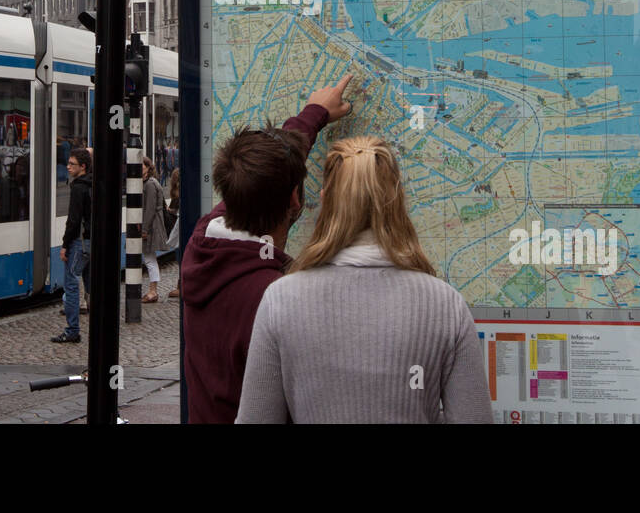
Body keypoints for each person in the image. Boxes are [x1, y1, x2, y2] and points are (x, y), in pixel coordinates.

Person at [237, 136, 491, 423]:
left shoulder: (280, 300)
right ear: (396, 201)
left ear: (326, 201)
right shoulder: (446, 305)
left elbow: (256, 418)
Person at [182, 75, 353, 423]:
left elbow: (263, 175)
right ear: (294, 198)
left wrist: (314, 114)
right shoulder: (277, 298)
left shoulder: (202, 245)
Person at [52, 148, 92, 343]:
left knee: (71, 285)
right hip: (93, 242)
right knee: (91, 284)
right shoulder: (93, 184)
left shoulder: (78, 187)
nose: (67, 167)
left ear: (82, 167)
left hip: (80, 242)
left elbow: (73, 220)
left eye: (72, 164)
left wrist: (65, 245)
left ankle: (72, 330)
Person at [140, 155, 166, 303]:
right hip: (151, 225)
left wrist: (144, 229)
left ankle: (153, 291)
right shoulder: (150, 182)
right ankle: (152, 290)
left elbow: (149, 209)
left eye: (142, 166)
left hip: (151, 227)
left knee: (149, 258)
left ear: (148, 168)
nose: (139, 169)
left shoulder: (149, 184)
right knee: (149, 258)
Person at [166, 168, 181, 298]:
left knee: (180, 258)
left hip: (178, 233)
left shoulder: (177, 193)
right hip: (178, 232)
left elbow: (174, 210)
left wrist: (168, 210)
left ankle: (180, 286)